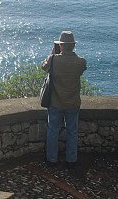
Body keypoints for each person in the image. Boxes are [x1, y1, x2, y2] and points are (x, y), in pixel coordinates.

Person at [41, 30, 87, 166]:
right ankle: (71, 159)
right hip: (73, 102)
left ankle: (52, 158)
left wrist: (52, 54)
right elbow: (81, 69)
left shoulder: (53, 60)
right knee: (72, 131)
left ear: (60, 46)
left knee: (53, 130)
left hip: (55, 102)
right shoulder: (80, 62)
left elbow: (43, 67)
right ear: (73, 46)